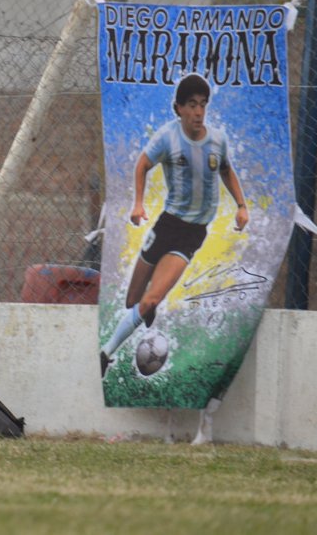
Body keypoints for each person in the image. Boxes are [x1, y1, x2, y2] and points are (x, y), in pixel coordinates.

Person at [100, 74, 248, 376]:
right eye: (191, 105)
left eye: (203, 105)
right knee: (132, 300)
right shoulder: (167, 137)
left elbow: (227, 169)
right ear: (178, 108)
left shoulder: (217, 140)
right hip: (166, 225)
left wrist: (242, 206)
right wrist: (138, 203)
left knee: (151, 298)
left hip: (191, 234)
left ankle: (105, 353)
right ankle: (144, 306)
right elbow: (142, 164)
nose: (198, 112)